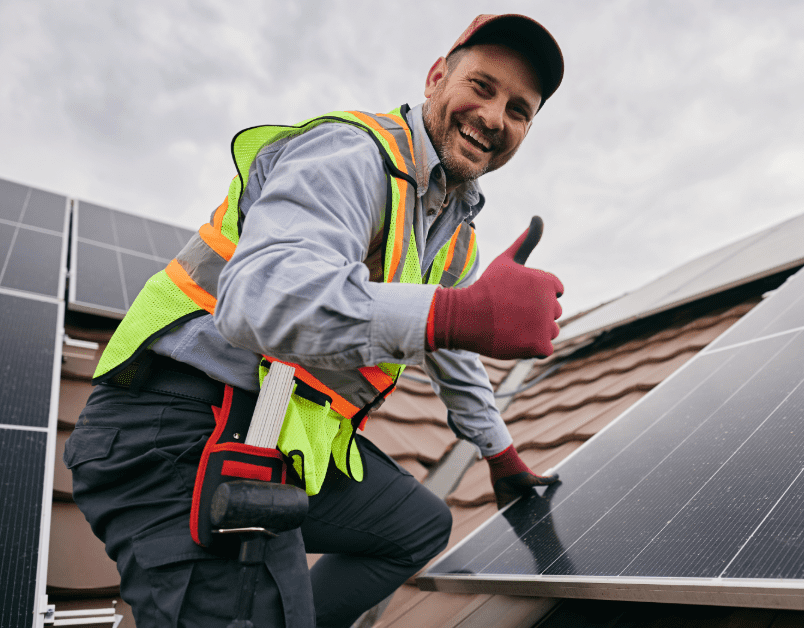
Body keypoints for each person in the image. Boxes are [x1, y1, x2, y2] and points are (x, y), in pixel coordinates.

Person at [64, 14, 565, 628]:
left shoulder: (454, 236)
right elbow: (259, 298)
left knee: (420, 524)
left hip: (271, 430)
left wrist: (499, 453)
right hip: (175, 424)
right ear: (436, 78)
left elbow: (454, 354)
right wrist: (458, 312)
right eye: (482, 87)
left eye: (519, 110)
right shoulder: (354, 154)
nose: (494, 117)